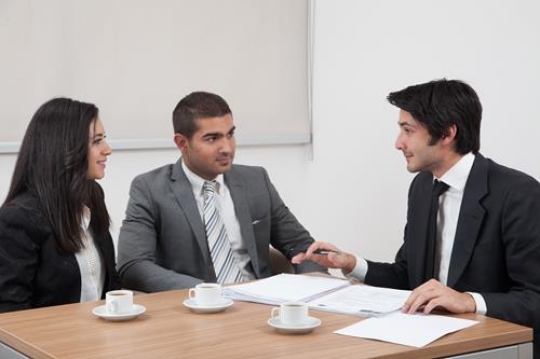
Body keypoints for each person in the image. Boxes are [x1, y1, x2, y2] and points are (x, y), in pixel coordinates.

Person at [293, 79, 540, 357]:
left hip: (491, 346)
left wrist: (468, 300)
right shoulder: (423, 187)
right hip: (429, 341)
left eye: (408, 130)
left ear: (447, 134)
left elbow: (534, 298)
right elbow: (408, 275)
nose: (398, 144)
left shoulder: (518, 194)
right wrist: (351, 264)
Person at [117, 91, 324, 292]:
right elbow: (134, 266)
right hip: (194, 307)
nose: (227, 148)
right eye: (212, 138)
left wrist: (312, 284)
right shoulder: (150, 189)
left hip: (260, 304)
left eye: (230, 135)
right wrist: (209, 292)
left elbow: (301, 246)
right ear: (182, 143)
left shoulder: (256, 181)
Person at [0, 98, 121, 312]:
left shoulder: (93, 195)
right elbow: (11, 313)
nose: (107, 149)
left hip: (100, 337)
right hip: (47, 342)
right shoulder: (18, 218)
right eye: (97, 141)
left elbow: (111, 284)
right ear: (66, 147)